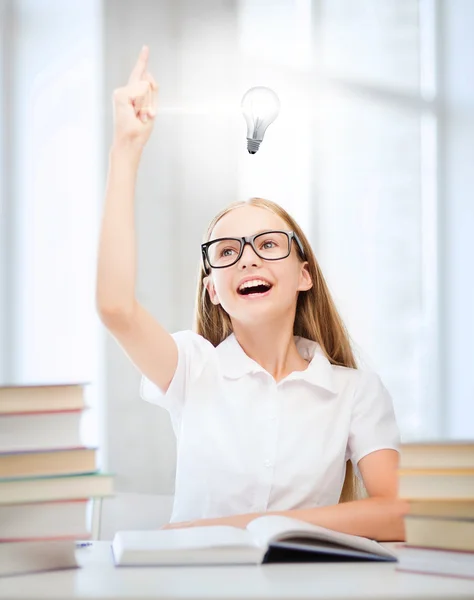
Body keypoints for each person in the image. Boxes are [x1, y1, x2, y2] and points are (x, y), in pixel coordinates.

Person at [96, 46, 408, 541]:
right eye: (226, 251)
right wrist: (125, 151)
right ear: (213, 291)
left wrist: (236, 528)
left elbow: (397, 515)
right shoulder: (191, 367)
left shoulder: (354, 392)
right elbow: (115, 307)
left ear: (305, 274)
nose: (248, 258)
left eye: (267, 244)